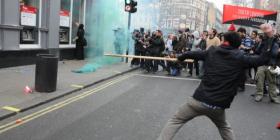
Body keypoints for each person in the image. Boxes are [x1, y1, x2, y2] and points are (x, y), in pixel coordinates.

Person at [158, 31, 275, 140]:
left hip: (198, 101)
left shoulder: (212, 51)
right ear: (238, 45)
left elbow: (191, 53)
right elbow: (262, 59)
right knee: (224, 127)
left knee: (176, 120)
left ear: (224, 40)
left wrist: (179, 59)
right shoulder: (241, 58)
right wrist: (270, 37)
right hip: (218, 106)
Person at [254, 24, 280, 103]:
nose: (268, 32)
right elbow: (258, 51)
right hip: (262, 63)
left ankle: (273, 97)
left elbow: (276, 54)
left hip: (271, 64)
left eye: (270, 31)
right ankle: (259, 94)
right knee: (259, 79)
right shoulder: (263, 40)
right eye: (266, 31)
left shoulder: (277, 41)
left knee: (272, 81)